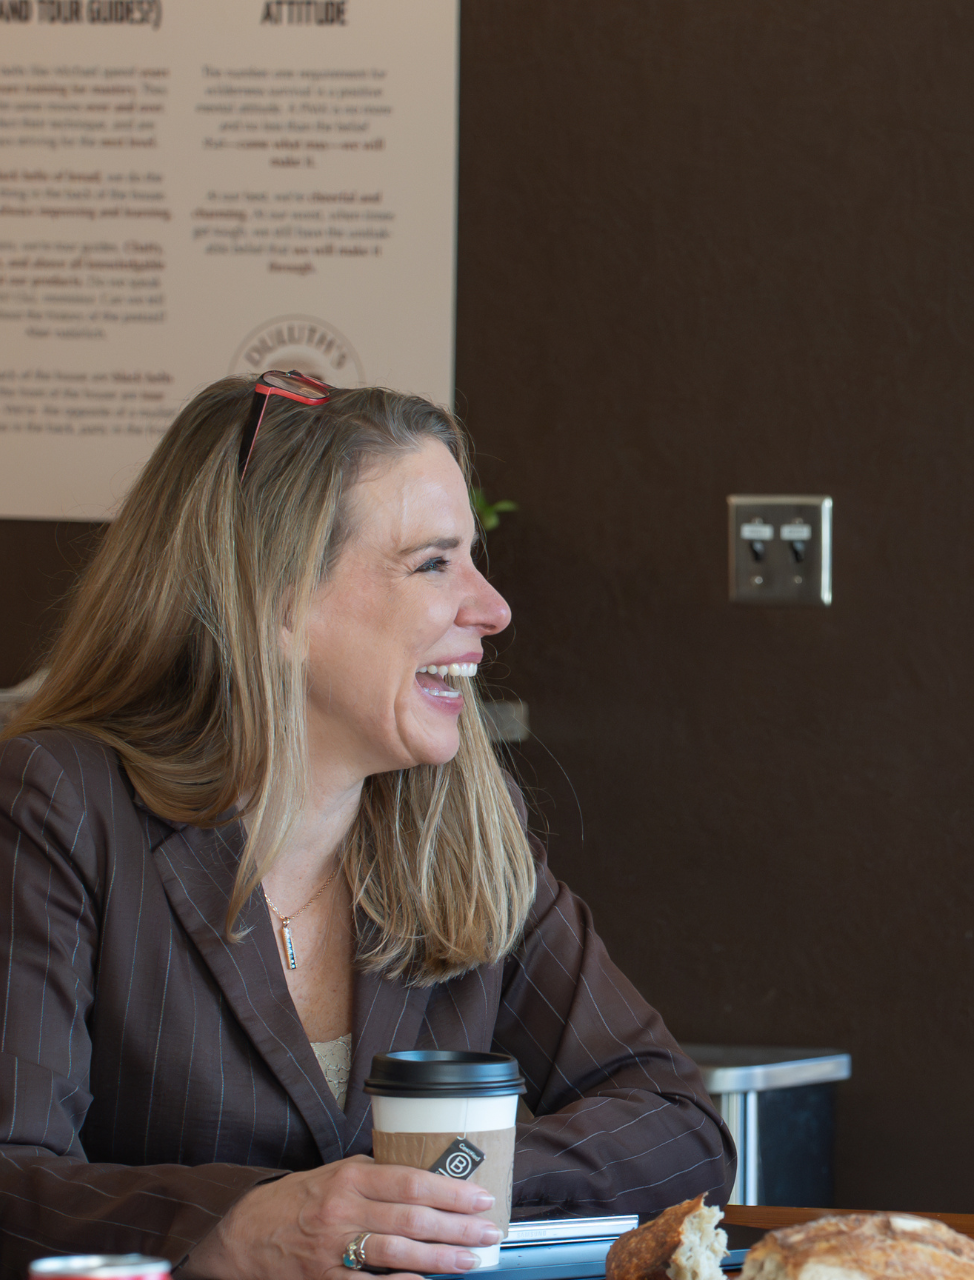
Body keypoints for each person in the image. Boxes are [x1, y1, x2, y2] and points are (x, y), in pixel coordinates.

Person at [0, 374, 734, 1278]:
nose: (493, 608)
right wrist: (235, 1229)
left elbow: (677, 1124)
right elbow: (10, 1184)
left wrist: (423, 1192)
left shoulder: (458, 827)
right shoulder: (59, 803)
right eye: (434, 563)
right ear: (274, 600)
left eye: (474, 556)